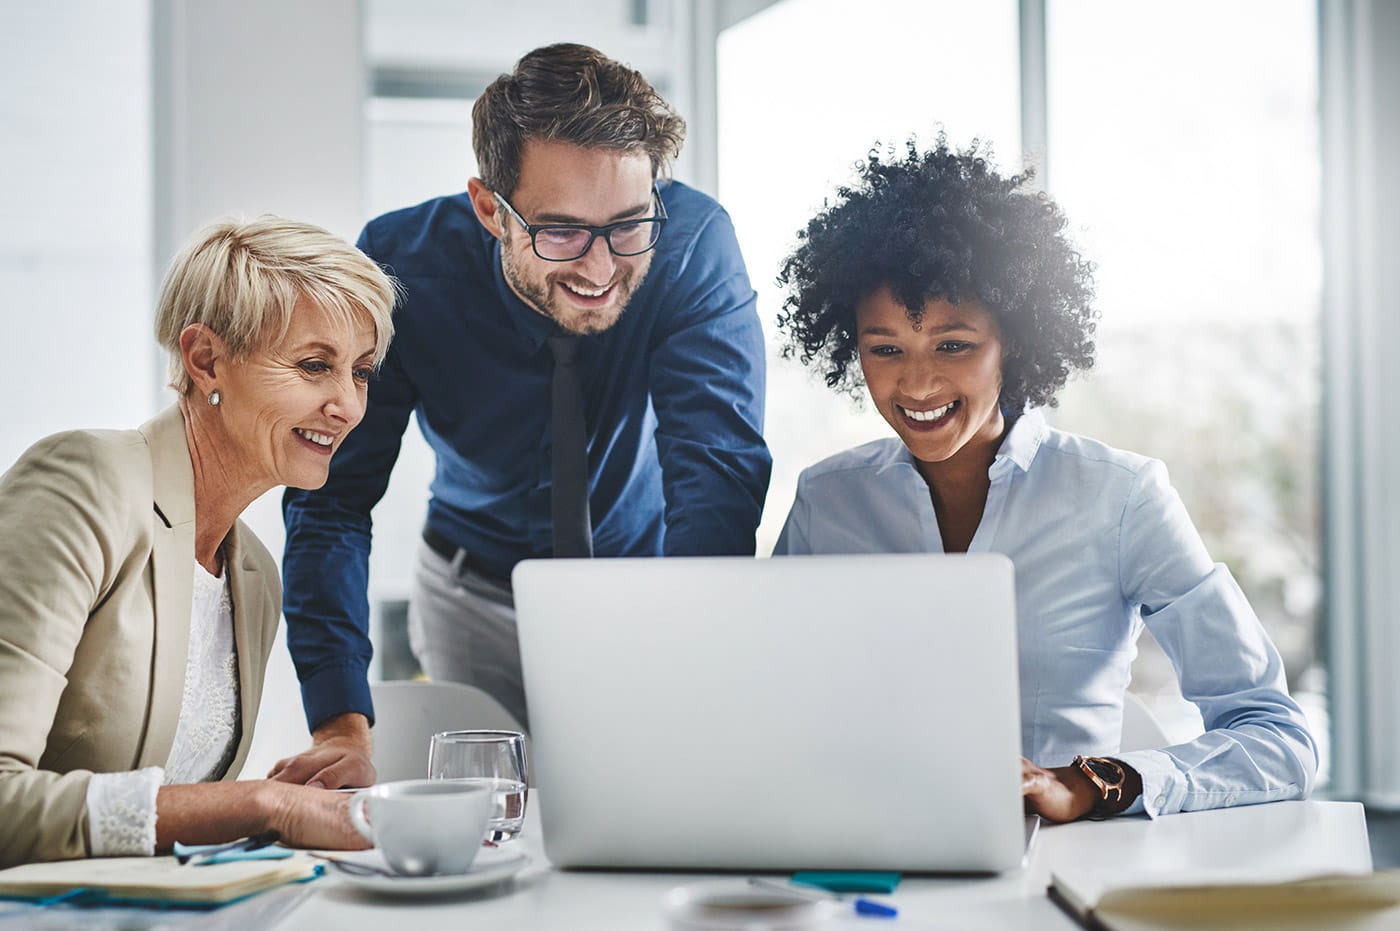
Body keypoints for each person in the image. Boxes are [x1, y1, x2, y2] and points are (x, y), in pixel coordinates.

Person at [771, 138, 1317, 821]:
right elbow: (765, 706)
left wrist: (1090, 783)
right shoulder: (826, 501)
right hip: (863, 843)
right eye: (885, 349)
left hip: (1060, 862)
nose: (916, 383)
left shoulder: (1121, 497)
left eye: (953, 344)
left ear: (1016, 341)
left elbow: (1279, 739)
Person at [277, 42, 770, 767]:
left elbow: (715, 473)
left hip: (646, 587)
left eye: (628, 224)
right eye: (561, 230)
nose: (600, 267)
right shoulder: (402, 267)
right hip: (471, 595)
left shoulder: (692, 243)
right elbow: (332, 500)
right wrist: (339, 724)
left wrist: (696, 660)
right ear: (490, 209)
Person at [0, 216, 397, 866]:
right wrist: (261, 803)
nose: (349, 406)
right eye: (314, 365)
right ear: (205, 359)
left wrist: (292, 801)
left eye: (360, 372)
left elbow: (171, 818)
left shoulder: (253, 575)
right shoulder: (83, 484)